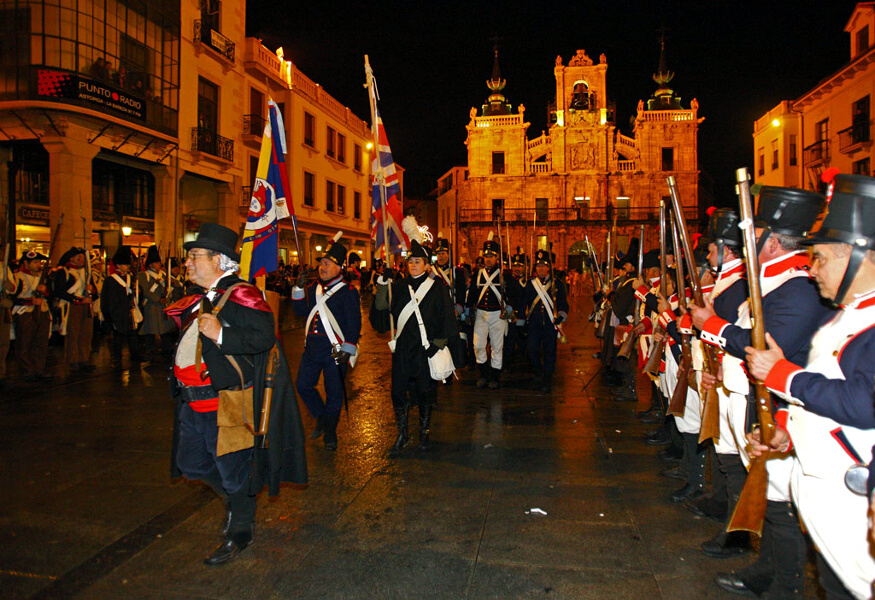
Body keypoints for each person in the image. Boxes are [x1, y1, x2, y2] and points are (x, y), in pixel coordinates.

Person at [692, 187, 829, 597]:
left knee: (781, 500)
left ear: (771, 241)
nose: (744, 242)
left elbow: (767, 346)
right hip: (760, 396)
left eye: (753, 234)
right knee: (769, 493)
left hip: (789, 407)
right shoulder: (770, 284)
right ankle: (766, 569)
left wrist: (711, 326)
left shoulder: (796, 287)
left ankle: (785, 585)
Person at [746, 173, 875, 600]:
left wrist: (782, 374)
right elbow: (826, 381)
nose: (811, 268)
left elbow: (864, 403)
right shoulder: (849, 313)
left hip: (852, 499)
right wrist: (785, 430)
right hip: (827, 494)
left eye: (820, 258)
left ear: (857, 257)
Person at [165, 222, 307, 565]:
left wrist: (221, 334)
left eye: (195, 256)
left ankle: (241, 529)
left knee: (232, 471)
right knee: (190, 464)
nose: (188, 262)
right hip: (191, 400)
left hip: (224, 403)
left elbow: (263, 338)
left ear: (218, 260)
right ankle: (236, 500)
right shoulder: (202, 296)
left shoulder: (243, 293)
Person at [387, 237, 458, 456]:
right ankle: (403, 434)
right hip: (403, 347)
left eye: (418, 261)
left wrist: (437, 345)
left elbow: (446, 318)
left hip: (425, 348)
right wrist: (382, 285)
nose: (413, 265)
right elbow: (385, 314)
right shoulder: (399, 287)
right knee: (398, 390)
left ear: (427, 265)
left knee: (425, 391)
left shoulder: (437, 288)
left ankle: (424, 432)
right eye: (410, 261)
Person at [292, 232, 361, 451]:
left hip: (335, 350)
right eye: (322, 263)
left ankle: (330, 431)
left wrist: (348, 349)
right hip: (312, 349)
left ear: (339, 267)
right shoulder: (313, 288)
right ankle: (322, 417)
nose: (322, 267)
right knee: (303, 385)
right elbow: (300, 311)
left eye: (327, 263)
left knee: (334, 393)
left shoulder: (348, 291)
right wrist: (298, 288)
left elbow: (354, 323)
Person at [466, 233, 518, 389]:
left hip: (498, 315)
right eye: (486, 256)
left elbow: (513, 295)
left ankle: (495, 377)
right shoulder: (478, 274)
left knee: (497, 347)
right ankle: (483, 374)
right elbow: (473, 294)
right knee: (478, 346)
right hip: (481, 314)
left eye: (491, 256)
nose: (488, 259)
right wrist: (468, 309)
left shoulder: (504, 274)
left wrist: (509, 307)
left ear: (496, 257)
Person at [524, 249, 568, 392]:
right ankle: (538, 373)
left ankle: (548, 378)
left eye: (543, 265)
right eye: (538, 266)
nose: (540, 269)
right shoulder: (531, 283)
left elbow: (563, 303)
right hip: (534, 323)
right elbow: (525, 302)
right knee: (532, 350)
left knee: (550, 352)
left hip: (550, 323)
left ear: (549, 267)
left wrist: (561, 314)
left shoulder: (557, 283)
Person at [52, 247, 97, 373]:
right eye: (79, 257)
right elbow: (59, 291)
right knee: (73, 334)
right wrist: (78, 300)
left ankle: (84, 359)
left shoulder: (87, 273)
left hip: (86, 306)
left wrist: (91, 290)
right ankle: (72, 360)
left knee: (86, 334)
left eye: (82, 257)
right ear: (71, 258)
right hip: (72, 306)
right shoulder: (64, 272)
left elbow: (95, 292)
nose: (82, 260)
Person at [11, 251, 53, 381]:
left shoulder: (43, 278)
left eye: (39, 262)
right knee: (25, 343)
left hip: (42, 310)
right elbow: (13, 298)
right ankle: (27, 370)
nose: (38, 265)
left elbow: (51, 295)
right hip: (25, 312)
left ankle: (39, 368)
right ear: (26, 263)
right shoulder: (17, 277)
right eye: (35, 262)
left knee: (41, 342)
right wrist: (31, 301)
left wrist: (45, 291)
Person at [431, 236, 468, 374]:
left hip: (452, 310)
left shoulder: (456, 271)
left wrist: (458, 307)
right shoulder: (431, 272)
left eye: (443, 253)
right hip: (437, 312)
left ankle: (454, 368)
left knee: (453, 342)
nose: (441, 256)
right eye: (438, 253)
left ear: (448, 254)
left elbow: (461, 291)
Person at [101, 246, 142, 365]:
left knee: (133, 334)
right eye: (125, 264)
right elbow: (107, 298)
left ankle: (135, 355)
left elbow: (138, 293)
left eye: (128, 264)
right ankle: (117, 357)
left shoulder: (131, 277)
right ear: (118, 265)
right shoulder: (111, 280)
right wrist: (108, 315)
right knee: (118, 336)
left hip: (129, 310)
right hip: (117, 311)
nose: (128, 266)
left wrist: (139, 292)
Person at [137, 245, 175, 359]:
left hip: (163, 305)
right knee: (150, 329)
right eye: (157, 262)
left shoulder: (163, 274)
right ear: (151, 264)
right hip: (151, 305)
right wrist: (158, 299)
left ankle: (166, 349)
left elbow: (174, 284)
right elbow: (146, 291)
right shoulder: (143, 275)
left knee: (165, 329)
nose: (159, 264)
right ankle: (150, 349)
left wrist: (171, 284)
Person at [1, 255, 16, 391]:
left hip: (3, 308)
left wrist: (9, 286)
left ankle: (1, 374)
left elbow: (13, 288)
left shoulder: (3, 267)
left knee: (3, 343)